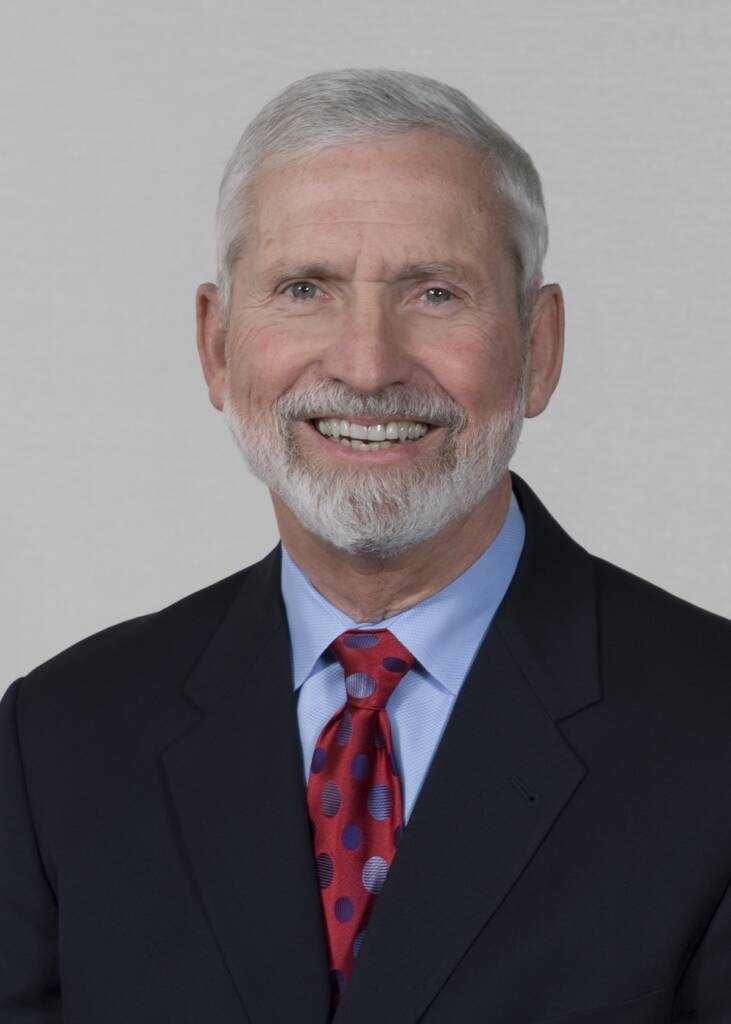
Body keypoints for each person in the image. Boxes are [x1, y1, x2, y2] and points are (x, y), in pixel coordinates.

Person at [1, 68, 729, 1024]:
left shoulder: (712, 731)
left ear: (539, 348)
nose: (367, 364)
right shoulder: (58, 738)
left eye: (434, 292)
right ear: (217, 348)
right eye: (304, 288)